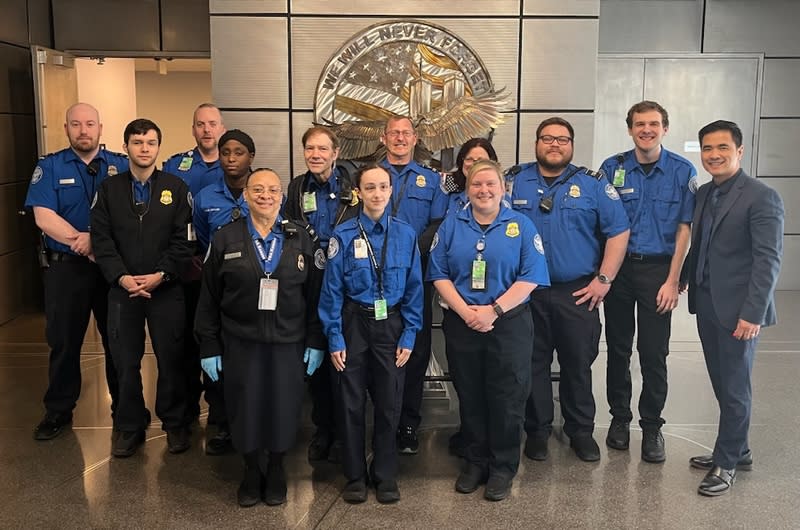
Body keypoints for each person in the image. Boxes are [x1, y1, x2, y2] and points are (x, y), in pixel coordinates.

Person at [194, 168, 326, 507]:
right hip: (241, 341)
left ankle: (278, 468)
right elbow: (208, 297)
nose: (265, 195)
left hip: (289, 341)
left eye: (272, 190)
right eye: (258, 190)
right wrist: (209, 344)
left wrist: (315, 340)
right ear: (246, 196)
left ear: (281, 196)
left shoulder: (300, 237)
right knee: (245, 408)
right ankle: (252, 469)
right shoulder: (225, 238)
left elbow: (315, 297)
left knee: (283, 407)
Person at [428, 160, 550, 501]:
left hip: (507, 323)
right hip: (463, 322)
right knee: (471, 394)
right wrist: (468, 312)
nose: (484, 190)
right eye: (477, 184)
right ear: (468, 189)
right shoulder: (452, 226)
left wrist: (493, 311)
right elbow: (438, 273)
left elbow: (531, 277)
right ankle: (475, 461)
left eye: (491, 184)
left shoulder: (522, 225)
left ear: (503, 189)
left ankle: (502, 467)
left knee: (508, 398)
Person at [510, 117, 630, 462]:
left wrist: (604, 280)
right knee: (532, 363)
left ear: (572, 145)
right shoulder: (514, 182)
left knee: (578, 364)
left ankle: (580, 431)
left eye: (562, 139)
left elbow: (618, 231)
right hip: (527, 292)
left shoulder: (593, 184)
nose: (554, 145)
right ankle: (537, 431)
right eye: (547, 138)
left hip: (578, 292)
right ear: (536, 144)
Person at [685, 120, 783, 496]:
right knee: (721, 382)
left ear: (739, 152)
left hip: (740, 308)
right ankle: (736, 448)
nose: (714, 155)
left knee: (735, 386)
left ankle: (727, 463)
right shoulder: (705, 193)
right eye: (708, 148)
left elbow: (768, 260)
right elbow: (704, 242)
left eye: (722, 148)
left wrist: (753, 314)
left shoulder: (762, 196)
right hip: (707, 300)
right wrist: (683, 276)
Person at [318, 164, 423, 504]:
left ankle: (385, 473)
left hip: (391, 326)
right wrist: (334, 336)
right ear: (359, 192)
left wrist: (409, 334)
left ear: (391, 191)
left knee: (390, 403)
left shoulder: (406, 234)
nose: (377, 194)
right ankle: (354, 475)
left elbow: (414, 289)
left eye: (383, 187)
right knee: (350, 403)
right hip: (353, 324)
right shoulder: (343, 235)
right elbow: (331, 291)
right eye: (370, 188)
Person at [599, 100, 697, 463]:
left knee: (654, 353)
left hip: (659, 271)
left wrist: (674, 280)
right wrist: (604, 274)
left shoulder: (681, 171)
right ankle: (619, 420)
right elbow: (604, 224)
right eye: (639, 124)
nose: (646, 130)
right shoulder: (612, 168)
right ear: (630, 129)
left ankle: (652, 426)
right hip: (620, 271)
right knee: (619, 349)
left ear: (665, 129)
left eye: (654, 124)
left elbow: (684, 230)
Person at [25, 102, 129, 440]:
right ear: (66, 127)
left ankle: (125, 409)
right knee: (65, 342)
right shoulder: (50, 166)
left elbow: (130, 215)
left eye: (89, 124)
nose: (83, 130)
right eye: (75, 124)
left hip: (110, 269)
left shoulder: (120, 165)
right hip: (67, 269)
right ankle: (58, 411)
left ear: (100, 127)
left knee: (118, 341)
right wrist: (83, 242)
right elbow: (43, 216)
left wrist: (99, 244)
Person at [91, 118, 194, 458]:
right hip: (122, 290)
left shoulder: (176, 188)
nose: (144, 148)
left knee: (171, 359)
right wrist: (121, 277)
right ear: (126, 148)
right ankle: (130, 425)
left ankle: (175, 423)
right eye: (138, 143)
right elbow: (102, 241)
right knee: (125, 360)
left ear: (158, 147)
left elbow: (183, 242)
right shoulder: (109, 190)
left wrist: (161, 274)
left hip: (165, 288)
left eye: (150, 142)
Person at [283, 126, 359, 464]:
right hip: (310, 285)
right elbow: (289, 230)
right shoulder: (297, 188)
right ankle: (323, 429)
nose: (315, 154)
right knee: (315, 360)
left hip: (348, 286)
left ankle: (348, 433)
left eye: (322, 149)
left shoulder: (352, 187)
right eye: (309, 149)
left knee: (346, 362)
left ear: (335, 153)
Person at [379, 115, 448, 454]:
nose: (400, 138)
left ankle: (408, 424)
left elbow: (437, 225)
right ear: (383, 137)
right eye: (394, 133)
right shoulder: (370, 177)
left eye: (406, 133)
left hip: (415, 276)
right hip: (372, 276)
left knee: (416, 351)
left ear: (415, 138)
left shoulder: (430, 180)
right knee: (378, 351)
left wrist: (405, 253)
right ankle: (381, 422)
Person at [191, 129, 255, 455]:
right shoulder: (205, 197)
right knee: (218, 357)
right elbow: (203, 241)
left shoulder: (264, 191)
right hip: (220, 288)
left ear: (251, 158)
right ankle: (223, 424)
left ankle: (255, 425)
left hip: (257, 292)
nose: (231, 159)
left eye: (239, 152)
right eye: (226, 152)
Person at [162, 103, 225, 431]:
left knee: (216, 341)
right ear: (193, 129)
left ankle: (218, 413)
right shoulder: (177, 166)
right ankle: (184, 412)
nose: (206, 130)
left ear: (222, 127)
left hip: (222, 270)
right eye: (200, 124)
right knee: (184, 342)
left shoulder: (233, 164)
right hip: (187, 267)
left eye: (212, 124)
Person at [443, 138, 499, 217]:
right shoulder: (449, 192)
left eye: (481, 160)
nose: (474, 164)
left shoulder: (499, 196)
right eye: (469, 159)